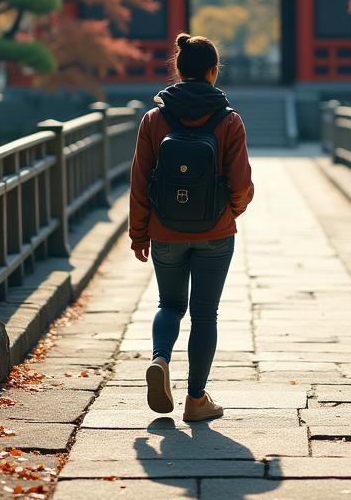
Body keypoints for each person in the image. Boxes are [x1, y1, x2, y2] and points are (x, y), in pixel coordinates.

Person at [128, 32, 254, 422]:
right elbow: (242, 183)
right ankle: (196, 400)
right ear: (214, 71)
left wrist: (139, 232)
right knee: (205, 314)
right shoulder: (229, 120)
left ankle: (160, 360)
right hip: (215, 232)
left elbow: (139, 180)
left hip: (166, 230)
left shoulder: (154, 119)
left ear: (178, 70)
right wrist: (229, 212)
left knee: (169, 305)